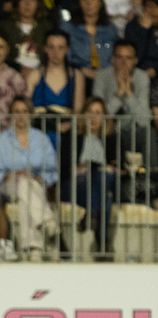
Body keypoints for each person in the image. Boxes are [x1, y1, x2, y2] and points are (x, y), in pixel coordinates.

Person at [0, 94, 58, 258]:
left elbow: (52, 170)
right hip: (8, 185)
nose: (21, 115)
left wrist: (41, 178)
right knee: (21, 182)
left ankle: (34, 249)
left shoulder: (41, 139)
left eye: (24, 111)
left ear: (30, 114)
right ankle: (47, 220)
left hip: (34, 186)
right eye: (16, 111)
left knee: (23, 200)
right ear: (11, 115)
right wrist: (13, 174)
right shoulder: (1, 140)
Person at [59, 96, 118, 250]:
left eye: (98, 112)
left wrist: (95, 167)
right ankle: (104, 244)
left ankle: (92, 214)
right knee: (106, 192)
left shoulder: (111, 139)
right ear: (83, 115)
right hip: (76, 185)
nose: (93, 117)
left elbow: (117, 166)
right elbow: (63, 168)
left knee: (105, 186)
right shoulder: (73, 136)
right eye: (90, 112)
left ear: (104, 116)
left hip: (101, 183)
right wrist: (79, 168)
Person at [30, 28, 83, 146]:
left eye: (60, 48)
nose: (56, 52)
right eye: (51, 47)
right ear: (45, 49)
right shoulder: (34, 75)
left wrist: (69, 125)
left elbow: (78, 110)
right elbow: (26, 108)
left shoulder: (76, 76)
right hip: (39, 133)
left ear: (67, 50)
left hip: (66, 134)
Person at [63, 0, 117, 77]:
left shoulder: (110, 29)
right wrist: (80, 69)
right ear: (79, 3)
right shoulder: (68, 27)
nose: (88, 3)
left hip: (107, 76)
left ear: (100, 2)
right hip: (78, 74)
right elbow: (65, 56)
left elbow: (116, 57)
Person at [0, 0, 53, 77]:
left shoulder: (46, 27)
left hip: (42, 76)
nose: (27, 4)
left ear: (38, 4)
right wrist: (19, 69)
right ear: (17, 3)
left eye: (31, 0)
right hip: (11, 75)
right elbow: (1, 56)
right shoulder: (5, 27)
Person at [124, 0, 158, 76]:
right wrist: (143, 31)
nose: (154, 11)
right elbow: (135, 59)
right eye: (150, 6)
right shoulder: (132, 27)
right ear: (143, 8)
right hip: (138, 74)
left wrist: (155, 69)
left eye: (157, 7)